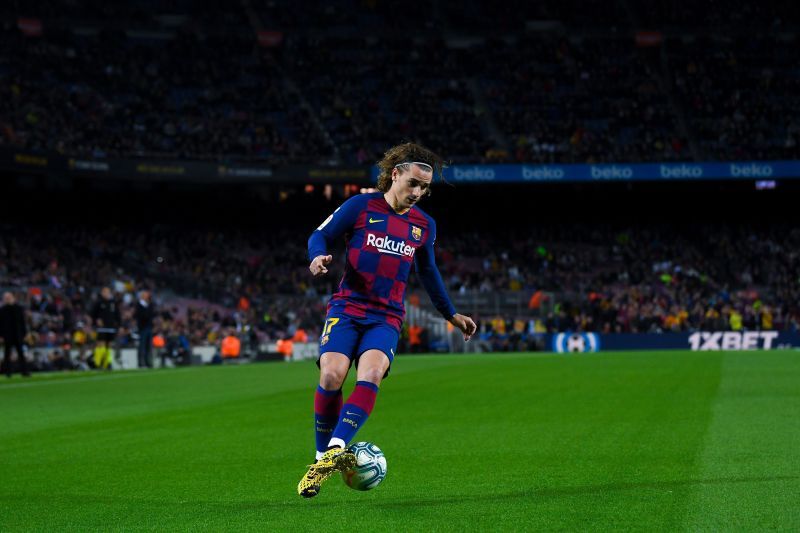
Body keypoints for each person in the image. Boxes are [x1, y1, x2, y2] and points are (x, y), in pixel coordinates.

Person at [297, 142, 476, 498]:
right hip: (347, 307)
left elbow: (429, 272)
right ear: (394, 174)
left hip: (386, 316)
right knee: (331, 375)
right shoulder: (361, 206)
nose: (418, 193)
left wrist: (451, 313)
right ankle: (321, 458)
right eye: (413, 183)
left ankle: (334, 451)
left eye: (424, 188)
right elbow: (320, 234)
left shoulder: (424, 225)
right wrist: (317, 257)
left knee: (372, 373)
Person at [0, 291, 30, 377]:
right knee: (7, 354)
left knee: (21, 354)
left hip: (18, 335)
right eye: (5, 298)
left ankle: (25, 371)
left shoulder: (18, 308)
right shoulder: (2, 310)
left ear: (12, 297)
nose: (7, 299)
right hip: (7, 335)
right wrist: (1, 335)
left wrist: (25, 334)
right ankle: (8, 372)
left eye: (8, 297)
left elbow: (22, 322)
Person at [91, 287, 120, 370]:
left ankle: (107, 363)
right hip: (101, 328)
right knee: (101, 344)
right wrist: (96, 320)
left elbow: (117, 315)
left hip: (111, 327)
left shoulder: (113, 303)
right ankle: (97, 363)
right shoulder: (98, 302)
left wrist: (119, 324)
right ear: (102, 293)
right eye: (104, 292)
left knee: (109, 346)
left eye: (107, 292)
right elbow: (93, 314)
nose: (106, 294)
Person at [135, 290, 155, 368]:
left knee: (148, 346)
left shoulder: (149, 305)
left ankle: (147, 362)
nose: (147, 297)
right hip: (143, 327)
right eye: (145, 295)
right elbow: (141, 316)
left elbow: (152, 314)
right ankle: (140, 362)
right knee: (142, 346)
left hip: (149, 327)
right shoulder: (139, 305)